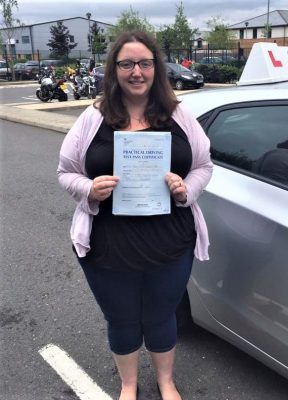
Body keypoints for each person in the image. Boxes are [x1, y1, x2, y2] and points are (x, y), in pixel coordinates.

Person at [57, 30, 213, 400]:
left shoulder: (179, 115)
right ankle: (129, 384)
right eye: (127, 64)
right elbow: (66, 172)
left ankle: (166, 380)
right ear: (115, 70)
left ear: (156, 68)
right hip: (108, 245)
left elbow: (204, 165)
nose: (137, 72)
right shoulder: (93, 117)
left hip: (170, 243)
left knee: (161, 316)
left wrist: (186, 189)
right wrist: (89, 189)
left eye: (145, 63)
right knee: (122, 319)